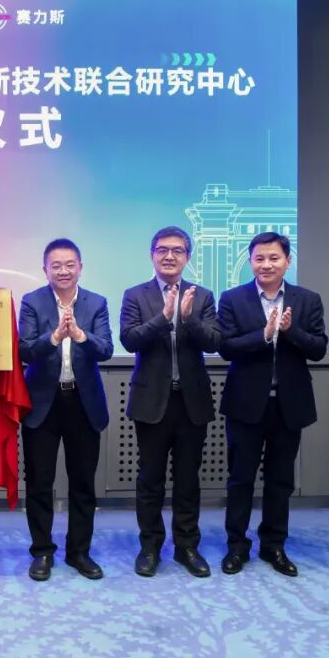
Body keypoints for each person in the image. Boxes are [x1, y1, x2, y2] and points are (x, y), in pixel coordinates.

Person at [217, 232, 327, 577]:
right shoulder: (232, 298)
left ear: (287, 261)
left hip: (288, 405)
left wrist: (290, 331)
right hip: (246, 404)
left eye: (274, 258)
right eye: (259, 258)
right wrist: (264, 335)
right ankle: (237, 546)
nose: (266, 264)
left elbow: (318, 349)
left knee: (280, 481)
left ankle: (273, 545)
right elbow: (225, 347)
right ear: (251, 261)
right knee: (240, 479)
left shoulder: (307, 299)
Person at [120, 225, 220, 578]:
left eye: (177, 250)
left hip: (191, 400)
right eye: (162, 250)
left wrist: (188, 318)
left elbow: (213, 343)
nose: (169, 256)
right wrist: (164, 318)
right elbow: (130, 339)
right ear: (152, 255)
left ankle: (186, 546)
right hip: (152, 401)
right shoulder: (136, 295)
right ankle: (150, 546)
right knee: (150, 479)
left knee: (188, 479)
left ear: (187, 257)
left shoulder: (202, 296)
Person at [18, 238, 114, 581]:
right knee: (39, 483)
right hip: (43, 404)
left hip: (83, 404)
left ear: (80, 267)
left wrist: (81, 336)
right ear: (45, 269)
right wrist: (55, 338)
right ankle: (42, 552)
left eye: (69, 264)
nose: (63, 271)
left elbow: (106, 349)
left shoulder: (97, 303)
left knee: (83, 483)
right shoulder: (32, 302)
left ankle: (79, 552)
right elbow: (25, 350)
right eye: (56, 265)